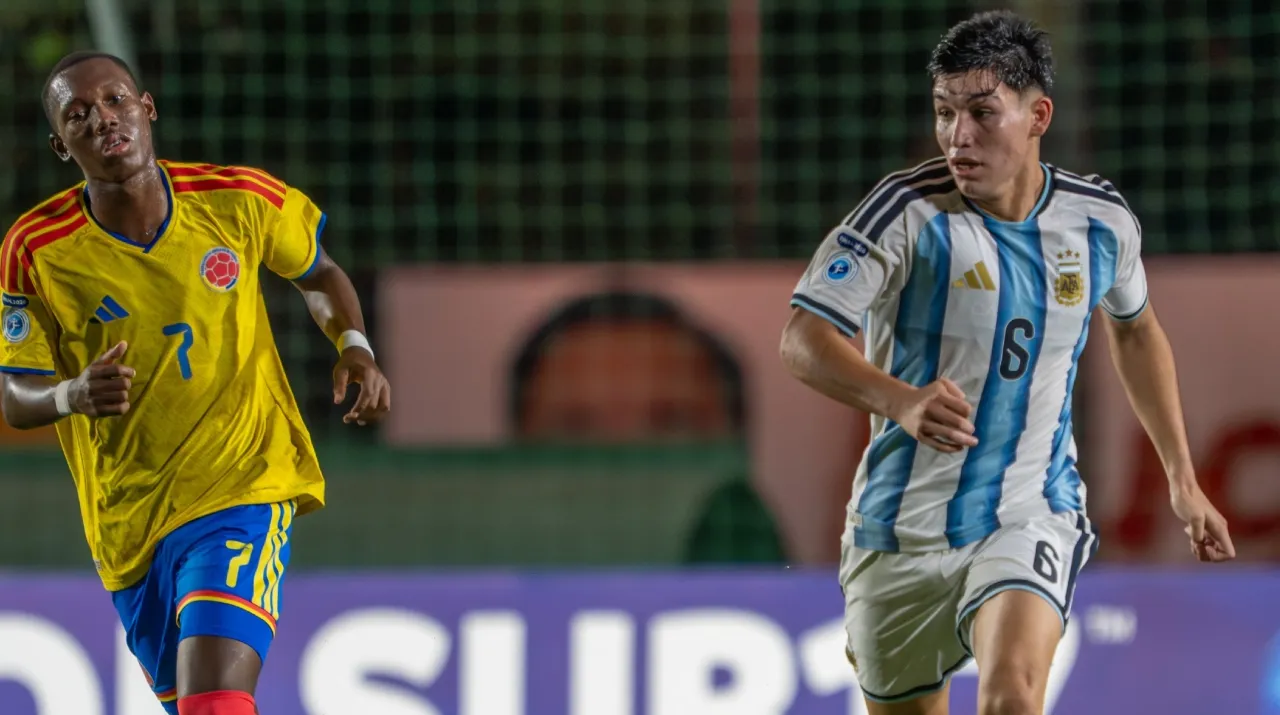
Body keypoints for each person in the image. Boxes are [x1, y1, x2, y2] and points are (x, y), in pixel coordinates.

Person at [779, 11, 1234, 715]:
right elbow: (803, 338)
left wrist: (1182, 478)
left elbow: (1137, 331)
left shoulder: (1099, 221)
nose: (958, 136)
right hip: (898, 531)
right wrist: (898, 398)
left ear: (1037, 115)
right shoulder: (903, 212)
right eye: (944, 112)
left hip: (1030, 510)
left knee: (1011, 698)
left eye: (982, 113)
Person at [0, 51, 390, 715]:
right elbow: (15, 393)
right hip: (129, 522)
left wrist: (354, 344)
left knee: (214, 701)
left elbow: (318, 272)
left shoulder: (237, 198)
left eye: (116, 101)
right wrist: (72, 395)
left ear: (147, 108)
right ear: (60, 145)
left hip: (242, 482)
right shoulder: (33, 249)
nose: (103, 120)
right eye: (79, 115)